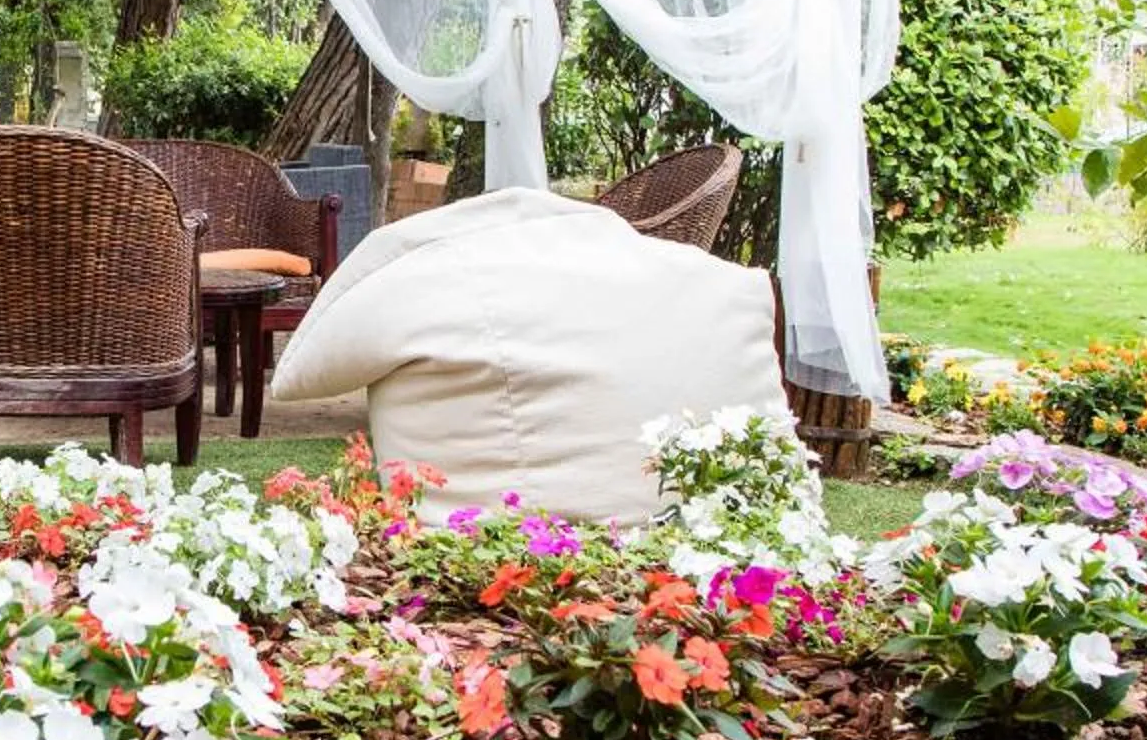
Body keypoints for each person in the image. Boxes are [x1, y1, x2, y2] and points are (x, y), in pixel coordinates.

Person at [268, 188, 791, 523]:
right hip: (718, 545)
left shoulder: (442, 285)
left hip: (521, 564)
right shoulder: (719, 287)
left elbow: (303, 376)